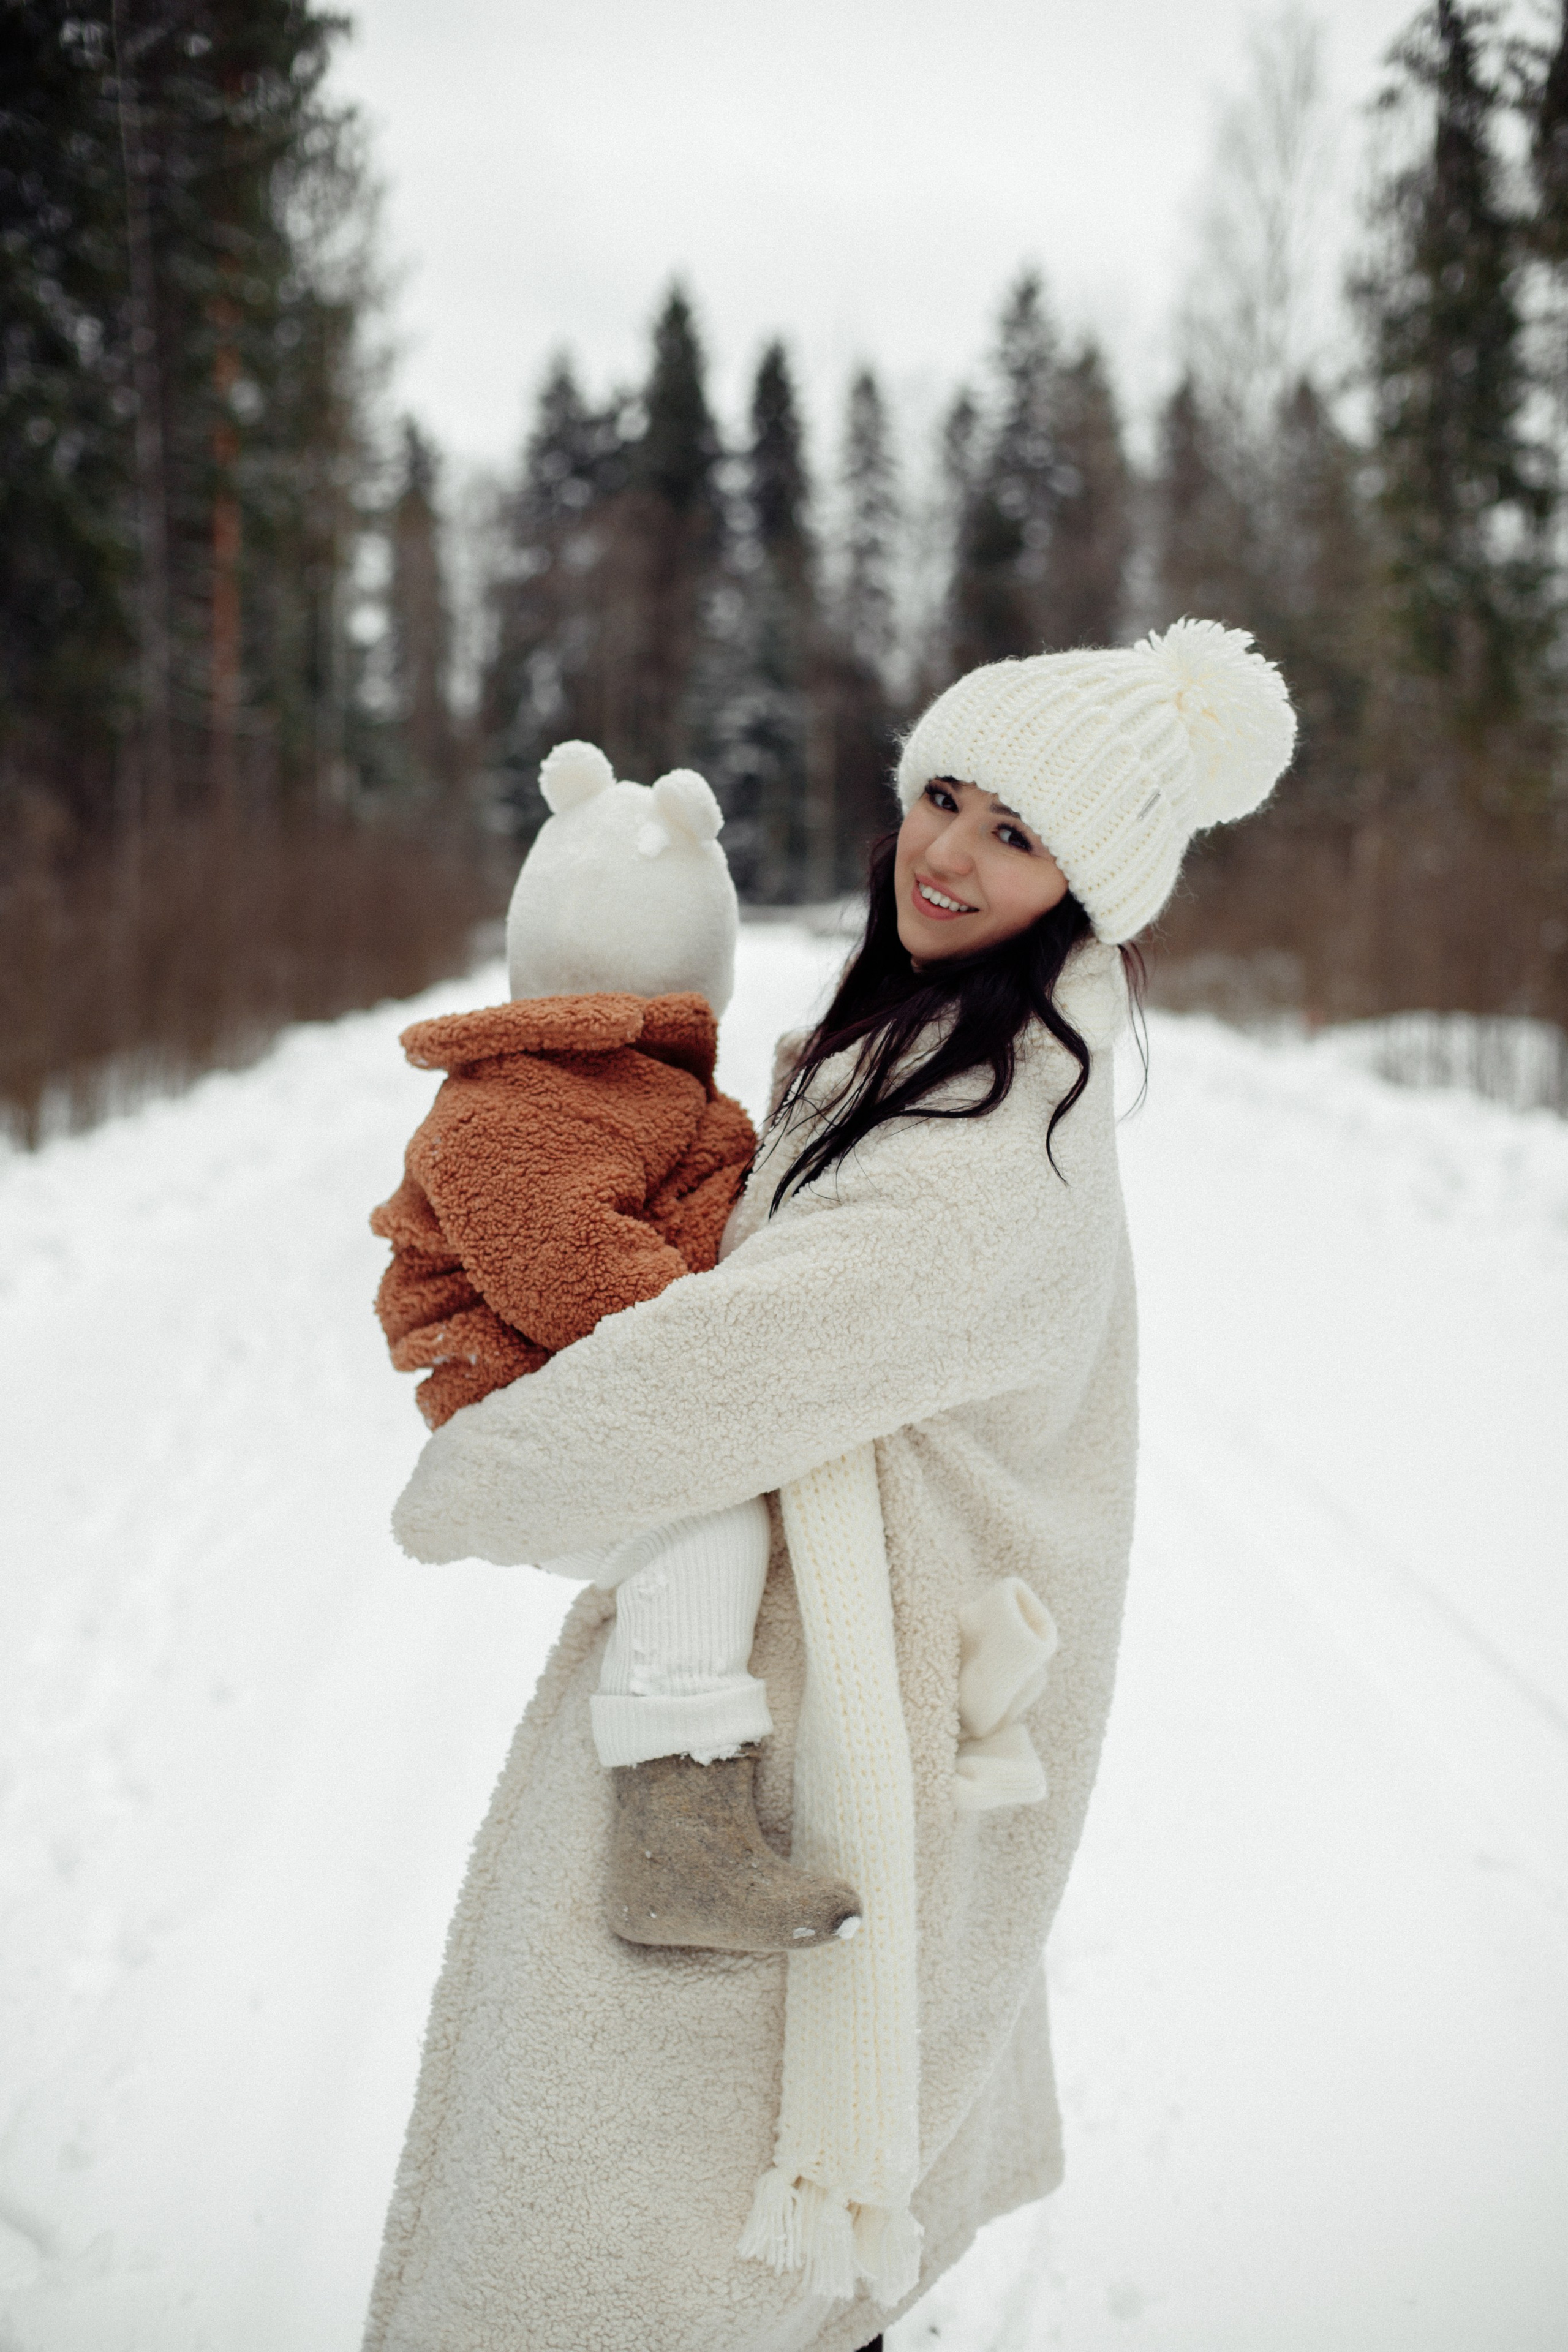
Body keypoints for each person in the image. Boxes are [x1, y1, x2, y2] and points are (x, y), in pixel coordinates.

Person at [362, 620, 1297, 2352]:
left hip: (833, 1766)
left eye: (1016, 834)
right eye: (943, 795)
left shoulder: (988, 1144)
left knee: (669, 2258)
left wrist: (476, 1476)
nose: (945, 852)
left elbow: (735, 1369)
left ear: (1089, 890)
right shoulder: (911, 1052)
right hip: (807, 1714)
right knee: (740, 2277)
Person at [368, 739, 861, 1949]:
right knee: (705, 1526)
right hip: (516, 1398)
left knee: (726, 1513)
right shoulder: (520, 1095)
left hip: (580, 1381)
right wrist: (720, 1335)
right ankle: (675, 1846)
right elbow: (564, 1267)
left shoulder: (640, 1085)